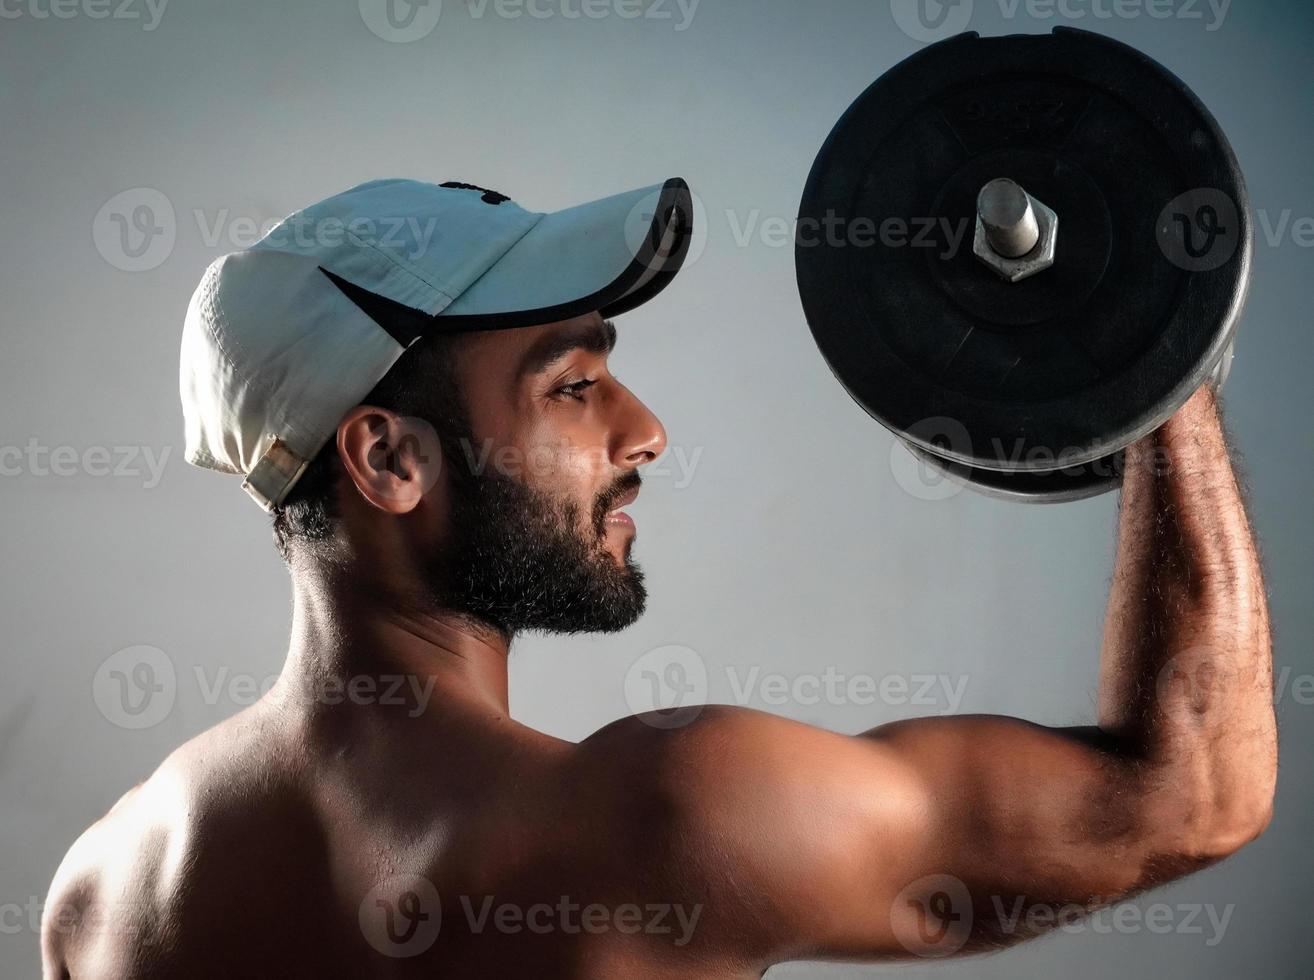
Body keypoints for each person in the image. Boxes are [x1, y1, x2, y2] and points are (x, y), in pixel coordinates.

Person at [42, 178, 1275, 979]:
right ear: (389, 457)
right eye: (573, 387)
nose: (645, 433)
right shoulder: (669, 820)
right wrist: (1151, 345)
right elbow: (1196, 791)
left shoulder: (100, 896)